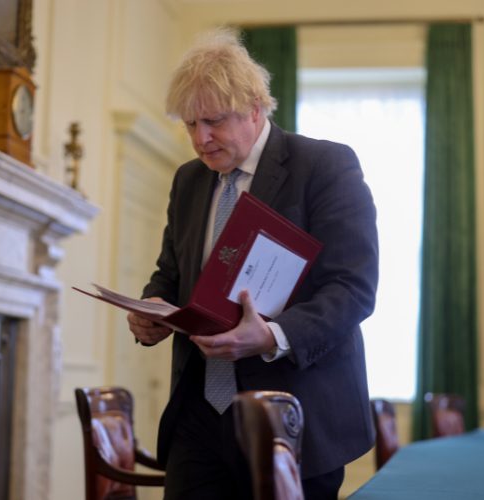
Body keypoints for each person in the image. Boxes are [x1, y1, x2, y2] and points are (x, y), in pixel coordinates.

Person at [127, 27, 378, 500]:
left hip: (291, 415)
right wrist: (151, 309)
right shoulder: (188, 181)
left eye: (214, 121)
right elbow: (170, 273)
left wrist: (271, 336)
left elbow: (353, 288)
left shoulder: (324, 167)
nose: (200, 139)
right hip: (197, 412)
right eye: (189, 125)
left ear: (255, 109)